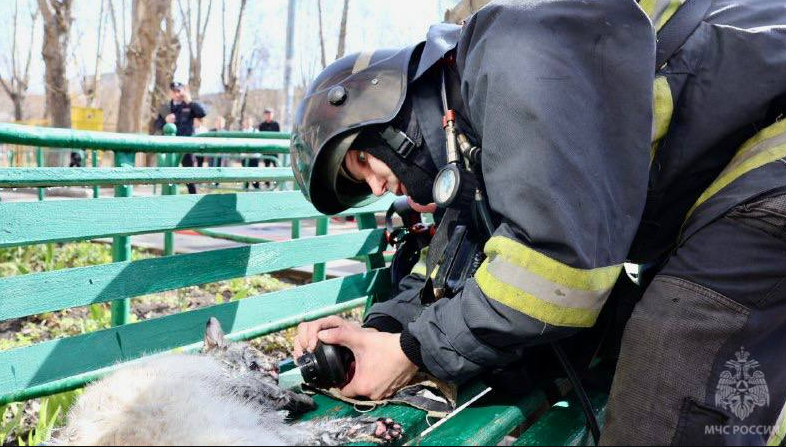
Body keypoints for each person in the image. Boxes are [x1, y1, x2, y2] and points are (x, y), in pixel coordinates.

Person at [289, 0, 786, 445]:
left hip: (769, 158)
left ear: (383, 110)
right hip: (732, 178)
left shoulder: (511, 46)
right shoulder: (475, 126)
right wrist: (377, 332)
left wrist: (411, 353)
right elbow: (457, 258)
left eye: (360, 166)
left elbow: (554, 272)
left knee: (673, 356)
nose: (376, 190)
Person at [155, 82, 207, 194]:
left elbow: (202, 113)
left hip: (185, 146)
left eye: (179, 91)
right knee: (168, 174)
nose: (177, 94)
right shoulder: (166, 107)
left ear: (183, 92)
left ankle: (194, 198)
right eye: (174, 91)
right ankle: (168, 197)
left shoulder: (188, 105)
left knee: (189, 176)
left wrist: (190, 101)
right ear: (170, 92)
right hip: (170, 146)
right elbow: (157, 124)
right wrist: (165, 121)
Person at [250, 108, 281, 189]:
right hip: (266, 149)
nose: (268, 115)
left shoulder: (276, 124)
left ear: (272, 114)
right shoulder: (262, 125)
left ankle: (277, 182)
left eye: (270, 113)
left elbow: (278, 136)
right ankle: (267, 183)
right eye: (267, 114)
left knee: (276, 165)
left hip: (275, 148)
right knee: (266, 166)